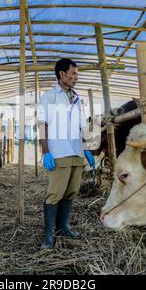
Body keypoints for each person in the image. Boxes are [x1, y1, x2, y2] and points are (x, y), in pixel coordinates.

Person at [38, 58, 95, 249]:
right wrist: (46, 152)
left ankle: (63, 226)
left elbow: (81, 127)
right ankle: (49, 235)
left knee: (71, 192)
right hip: (59, 152)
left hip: (76, 152)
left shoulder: (77, 99)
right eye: (74, 73)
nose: (76, 77)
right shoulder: (49, 97)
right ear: (62, 74)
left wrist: (86, 149)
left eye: (77, 73)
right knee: (55, 193)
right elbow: (42, 125)